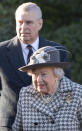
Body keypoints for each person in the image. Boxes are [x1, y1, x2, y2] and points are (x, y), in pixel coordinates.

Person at [0, 2, 70, 131]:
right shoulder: (1, 51)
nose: (23, 27)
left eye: (29, 22)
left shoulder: (58, 51)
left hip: (49, 123)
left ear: (40, 24)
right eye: (19, 22)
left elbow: (66, 91)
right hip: (11, 124)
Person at [12, 46, 82, 131]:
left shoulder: (77, 93)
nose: (38, 79)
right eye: (35, 74)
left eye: (43, 74)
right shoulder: (25, 94)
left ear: (56, 74)